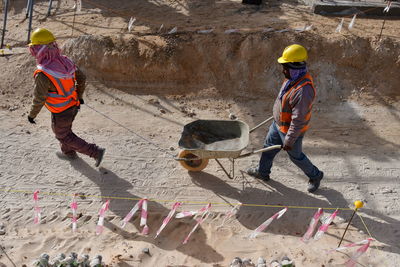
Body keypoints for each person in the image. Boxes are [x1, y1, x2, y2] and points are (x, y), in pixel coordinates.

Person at [247, 44, 323, 193]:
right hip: (278, 125)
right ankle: (262, 172)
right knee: (267, 149)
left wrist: (289, 140)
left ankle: (316, 175)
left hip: (290, 131)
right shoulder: (292, 78)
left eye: (285, 66)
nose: (283, 70)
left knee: (296, 157)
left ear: (294, 66)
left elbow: (298, 120)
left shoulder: (303, 90)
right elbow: (283, 100)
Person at [27, 28, 105, 167]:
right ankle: (68, 153)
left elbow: (39, 97)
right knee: (65, 131)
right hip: (73, 105)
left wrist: (32, 115)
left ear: (38, 49)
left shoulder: (43, 73)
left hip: (61, 110)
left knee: (63, 135)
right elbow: (81, 78)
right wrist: (79, 96)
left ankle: (95, 152)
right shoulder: (66, 61)